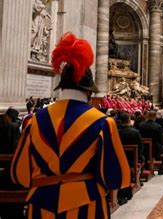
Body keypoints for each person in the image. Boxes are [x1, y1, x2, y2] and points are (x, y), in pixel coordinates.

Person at [11, 32, 130, 218]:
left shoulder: (33, 121)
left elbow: (20, 175)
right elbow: (116, 178)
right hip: (87, 206)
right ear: (89, 92)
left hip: (41, 208)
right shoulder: (103, 123)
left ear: (61, 87)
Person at [117, 112, 144, 205]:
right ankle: (137, 179)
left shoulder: (117, 132)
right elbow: (140, 146)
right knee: (143, 158)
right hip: (133, 158)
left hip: (119, 158)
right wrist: (139, 156)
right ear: (129, 120)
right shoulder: (135, 132)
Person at [136, 110, 163, 174]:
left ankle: (147, 165)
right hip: (154, 149)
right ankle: (161, 168)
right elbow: (160, 140)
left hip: (143, 149)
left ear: (147, 116)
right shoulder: (158, 126)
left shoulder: (140, 125)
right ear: (155, 117)